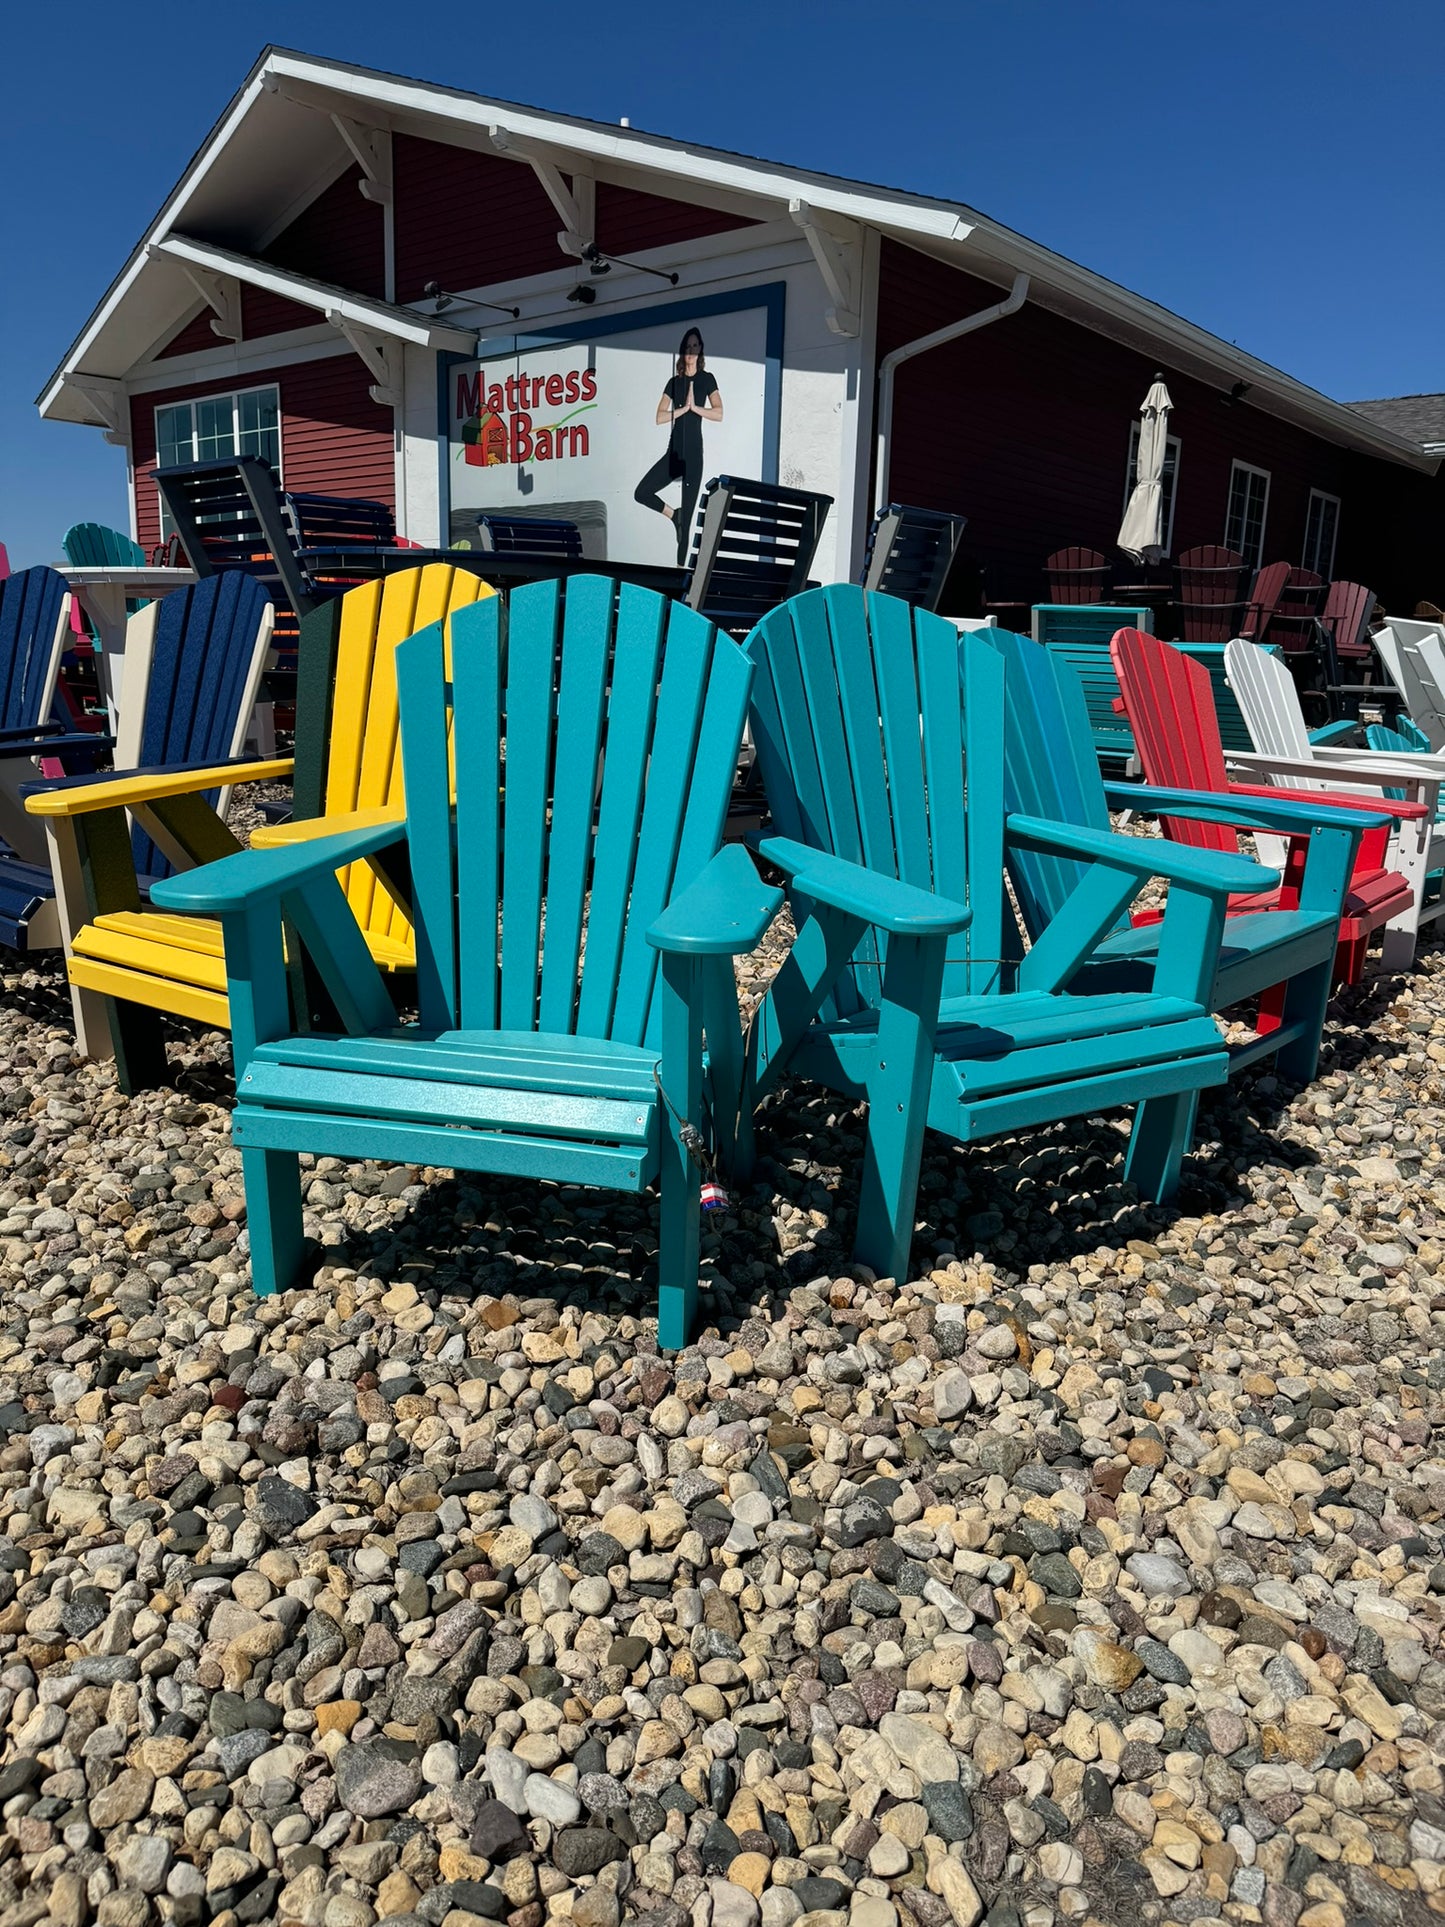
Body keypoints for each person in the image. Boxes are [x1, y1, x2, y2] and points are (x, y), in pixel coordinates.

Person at [634, 328, 723, 564]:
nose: (691, 351)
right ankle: (674, 515)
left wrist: (696, 409)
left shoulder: (707, 379)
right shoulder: (674, 383)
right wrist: (684, 408)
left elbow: (719, 412)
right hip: (674, 453)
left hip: (694, 455)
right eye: (687, 347)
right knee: (641, 492)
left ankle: (680, 577)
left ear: (700, 349)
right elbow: (659, 416)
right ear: (682, 352)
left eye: (695, 346)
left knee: (685, 534)